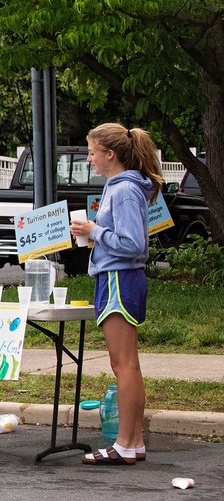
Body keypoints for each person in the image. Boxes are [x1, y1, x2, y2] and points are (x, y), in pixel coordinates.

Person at [70, 123, 163, 466]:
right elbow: (124, 238)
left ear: (111, 155)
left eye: (93, 152)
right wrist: (97, 234)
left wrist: (95, 230)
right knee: (128, 365)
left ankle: (123, 443)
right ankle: (133, 440)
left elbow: (133, 243)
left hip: (119, 280)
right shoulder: (123, 187)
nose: (90, 158)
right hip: (122, 277)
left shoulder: (123, 190)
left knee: (123, 365)